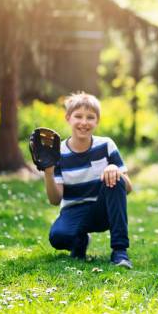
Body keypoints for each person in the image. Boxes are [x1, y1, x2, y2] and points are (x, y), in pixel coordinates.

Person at [43, 92, 134, 268]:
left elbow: (127, 187)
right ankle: (79, 242)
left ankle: (120, 251)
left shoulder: (106, 145)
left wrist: (115, 169)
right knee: (58, 237)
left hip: (103, 211)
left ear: (97, 121)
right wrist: (48, 172)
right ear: (68, 118)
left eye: (90, 117)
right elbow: (55, 200)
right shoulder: (58, 153)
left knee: (115, 178)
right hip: (74, 211)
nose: (84, 122)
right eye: (78, 116)